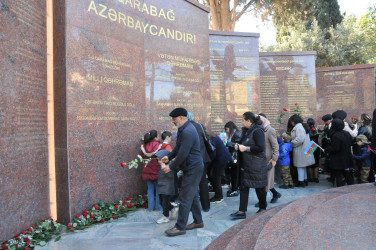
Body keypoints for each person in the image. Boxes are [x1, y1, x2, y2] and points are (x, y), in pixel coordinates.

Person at [161, 108, 204, 237]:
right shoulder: (183, 129)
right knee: (193, 195)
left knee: (185, 197)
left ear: (180, 117)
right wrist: (169, 156)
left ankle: (180, 227)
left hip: (193, 168)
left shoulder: (189, 131)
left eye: (173, 119)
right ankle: (198, 221)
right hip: (191, 167)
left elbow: (183, 153)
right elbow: (178, 148)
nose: (172, 121)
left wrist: (171, 167)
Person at [230, 112, 268, 220]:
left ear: (249, 121)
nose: (242, 122)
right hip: (246, 165)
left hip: (256, 165)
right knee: (244, 187)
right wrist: (238, 146)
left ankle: (263, 207)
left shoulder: (258, 131)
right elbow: (244, 144)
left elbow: (261, 147)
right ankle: (242, 211)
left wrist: (246, 148)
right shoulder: (247, 131)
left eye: (243, 120)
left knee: (259, 187)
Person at [187, 112, 211, 212]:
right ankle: (206, 206)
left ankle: (193, 207)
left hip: (192, 160)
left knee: (191, 183)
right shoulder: (200, 126)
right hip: (203, 158)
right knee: (203, 181)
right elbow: (207, 139)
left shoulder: (185, 128)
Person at [258, 115, 281, 205]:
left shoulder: (270, 130)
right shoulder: (260, 130)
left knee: (266, 181)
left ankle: (262, 201)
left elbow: (275, 146)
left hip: (269, 160)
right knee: (266, 180)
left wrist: (274, 159)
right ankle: (275, 194)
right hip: (261, 159)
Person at [324, 119, 354, 187]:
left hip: (338, 159)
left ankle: (339, 189)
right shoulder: (347, 133)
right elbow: (351, 143)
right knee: (347, 174)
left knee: (338, 176)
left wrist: (326, 150)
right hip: (347, 157)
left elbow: (335, 148)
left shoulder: (335, 135)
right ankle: (352, 188)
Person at [289, 115, 315, 187]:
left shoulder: (299, 127)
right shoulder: (301, 126)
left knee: (300, 166)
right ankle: (304, 180)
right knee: (303, 166)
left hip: (300, 149)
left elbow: (300, 139)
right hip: (303, 149)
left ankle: (301, 182)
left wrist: (292, 143)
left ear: (294, 121)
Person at [207, 132, 233, 204]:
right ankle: (216, 190)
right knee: (211, 174)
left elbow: (213, 152)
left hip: (221, 158)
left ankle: (218, 197)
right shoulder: (212, 136)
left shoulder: (211, 139)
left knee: (216, 176)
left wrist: (207, 161)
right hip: (221, 157)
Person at [154, 150, 179, 224]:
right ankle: (172, 209)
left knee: (165, 202)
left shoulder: (169, 166)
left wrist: (164, 167)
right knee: (161, 201)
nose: (158, 161)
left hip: (167, 188)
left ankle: (165, 216)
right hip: (162, 187)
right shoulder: (163, 166)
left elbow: (170, 176)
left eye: (159, 159)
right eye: (157, 160)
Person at [140, 130, 163, 211]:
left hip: (147, 171)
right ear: (155, 137)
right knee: (158, 189)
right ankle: (159, 207)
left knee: (150, 189)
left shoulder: (144, 147)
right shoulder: (159, 146)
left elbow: (142, 158)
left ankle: (150, 208)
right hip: (157, 171)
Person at [224, 121, 242, 197]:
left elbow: (237, 145)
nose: (226, 131)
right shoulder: (232, 134)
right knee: (232, 174)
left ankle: (235, 189)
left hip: (236, 158)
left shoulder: (237, 134)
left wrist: (227, 143)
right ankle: (233, 188)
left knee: (235, 174)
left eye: (226, 129)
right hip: (232, 157)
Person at [307, 118, 320, 183]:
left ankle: (311, 178)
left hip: (310, 146)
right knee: (316, 163)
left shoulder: (307, 130)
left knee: (310, 163)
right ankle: (316, 178)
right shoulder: (316, 129)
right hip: (316, 145)